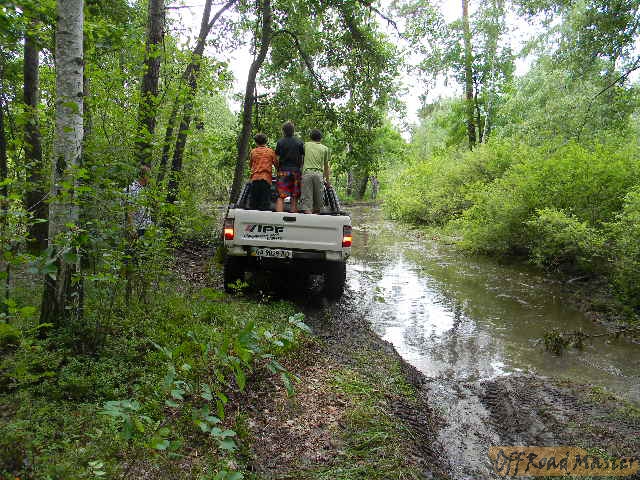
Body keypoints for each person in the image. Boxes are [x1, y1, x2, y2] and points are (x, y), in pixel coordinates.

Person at [275, 121, 304, 212]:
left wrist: (278, 169)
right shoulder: (299, 142)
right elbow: (303, 158)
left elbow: (277, 158)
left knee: (280, 196)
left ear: (283, 131)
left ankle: (279, 218)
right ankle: (292, 217)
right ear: (293, 131)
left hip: (283, 170)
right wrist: (300, 169)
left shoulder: (280, 142)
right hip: (296, 171)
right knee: (294, 196)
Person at [300, 129, 331, 214]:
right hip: (318, 175)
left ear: (310, 137)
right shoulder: (325, 149)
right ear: (321, 138)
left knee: (307, 203)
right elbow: (326, 167)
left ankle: (308, 219)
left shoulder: (305, 145)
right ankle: (315, 218)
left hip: (307, 174)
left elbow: (301, 161)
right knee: (318, 204)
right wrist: (328, 181)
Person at [249, 133, 277, 210]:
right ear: (266, 141)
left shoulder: (253, 152)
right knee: (264, 204)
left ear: (256, 142)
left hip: (255, 179)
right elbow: (276, 164)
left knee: (253, 204)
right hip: (266, 179)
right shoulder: (270, 152)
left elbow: (250, 165)